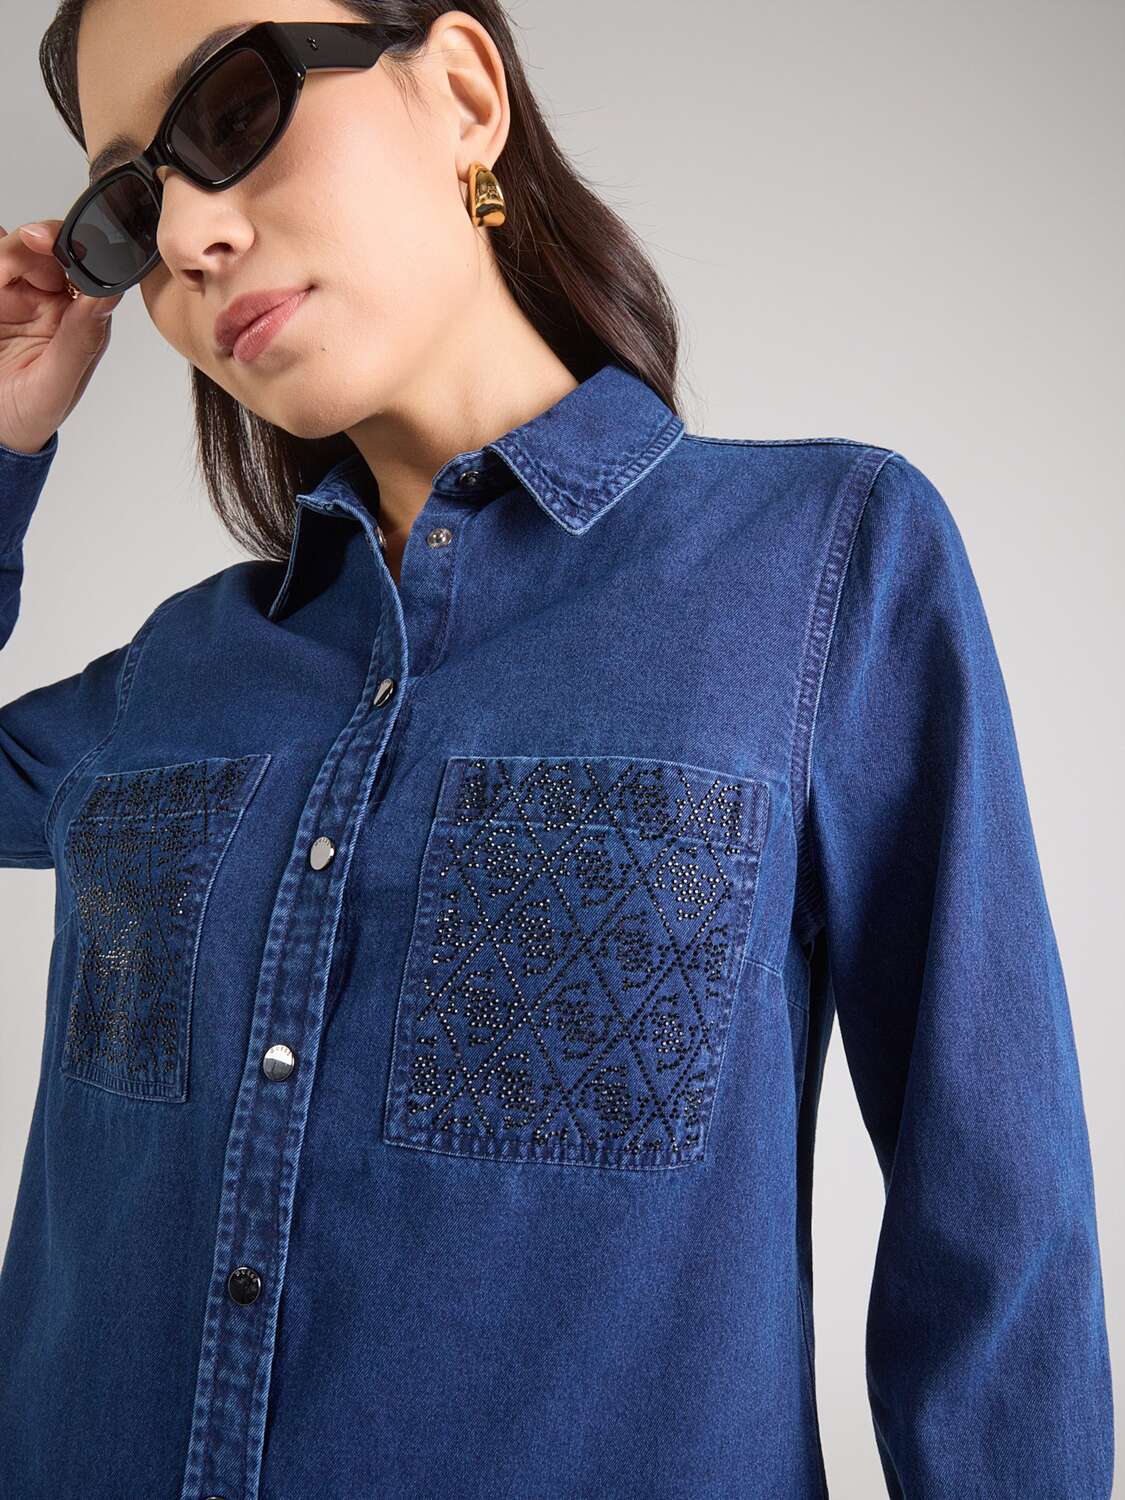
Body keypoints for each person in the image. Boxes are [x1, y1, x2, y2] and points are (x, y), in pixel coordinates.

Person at [0, 3, 1114, 1497]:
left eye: (236, 112)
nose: (190, 236)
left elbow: (993, 1224)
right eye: (129, 213)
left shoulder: (819, 568)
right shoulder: (181, 669)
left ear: (464, 93)